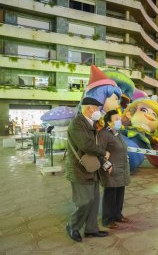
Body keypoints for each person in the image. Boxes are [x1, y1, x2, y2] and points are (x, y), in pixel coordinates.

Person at [65, 97, 111, 242]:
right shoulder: (77, 124)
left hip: (92, 168)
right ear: (88, 108)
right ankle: (73, 225)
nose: (99, 111)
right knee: (85, 201)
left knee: (94, 200)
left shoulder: (91, 123)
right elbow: (85, 144)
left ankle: (91, 229)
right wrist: (103, 152)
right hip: (80, 170)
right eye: (97, 108)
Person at [98, 110, 130, 229]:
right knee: (110, 195)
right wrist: (107, 166)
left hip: (121, 168)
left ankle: (117, 215)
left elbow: (121, 148)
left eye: (119, 118)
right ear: (108, 122)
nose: (119, 121)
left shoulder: (116, 133)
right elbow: (99, 152)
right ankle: (107, 219)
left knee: (119, 193)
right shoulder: (103, 134)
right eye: (116, 119)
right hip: (111, 169)